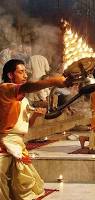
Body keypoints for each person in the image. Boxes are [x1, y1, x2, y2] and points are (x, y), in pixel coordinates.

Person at [0, 59, 68, 200]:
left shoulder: (23, 100)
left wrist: (36, 115)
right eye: (21, 72)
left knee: (25, 185)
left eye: (26, 72)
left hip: (18, 143)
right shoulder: (5, 88)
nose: (25, 75)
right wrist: (53, 81)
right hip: (3, 141)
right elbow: (28, 87)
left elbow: (27, 124)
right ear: (10, 75)